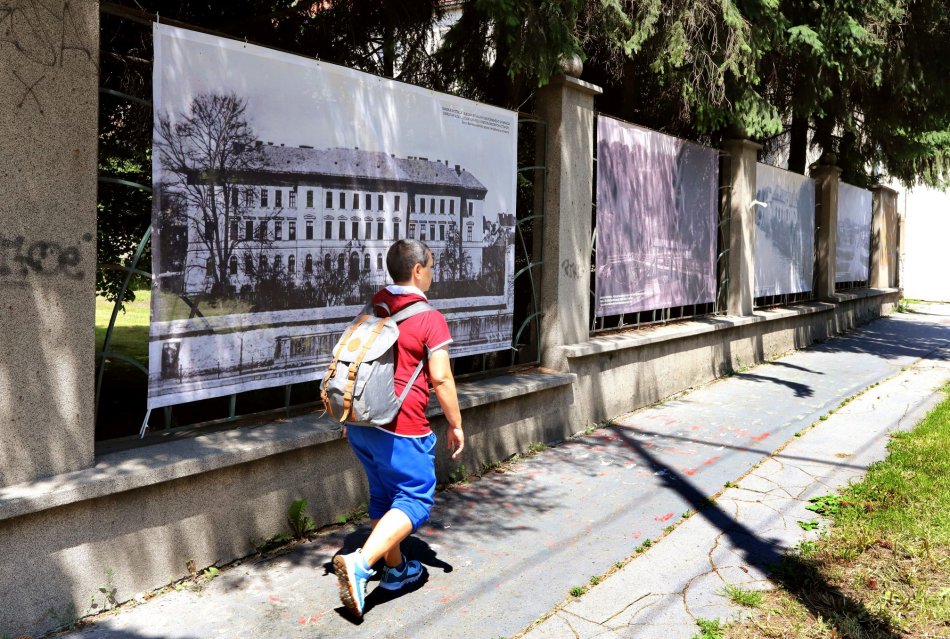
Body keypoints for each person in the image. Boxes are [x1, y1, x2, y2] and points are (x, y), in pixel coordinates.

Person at [333, 238, 465, 618]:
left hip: (360, 422)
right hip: (401, 425)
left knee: (384, 496)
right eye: (431, 267)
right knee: (415, 499)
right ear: (418, 270)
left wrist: (351, 416)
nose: (433, 274)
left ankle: (396, 570)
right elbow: (441, 378)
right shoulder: (429, 318)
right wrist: (455, 424)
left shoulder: (375, 305)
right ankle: (361, 563)